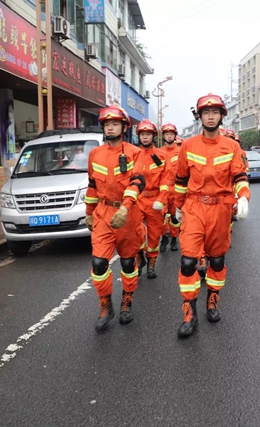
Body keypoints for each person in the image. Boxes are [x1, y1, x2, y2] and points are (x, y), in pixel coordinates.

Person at [173, 93, 251, 338]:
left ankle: (213, 299)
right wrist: (177, 208)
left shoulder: (232, 147)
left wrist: (243, 197)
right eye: (205, 113)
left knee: (216, 261)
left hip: (221, 208)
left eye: (214, 112)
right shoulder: (188, 145)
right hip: (194, 207)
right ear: (200, 116)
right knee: (188, 262)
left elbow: (239, 177)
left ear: (221, 116)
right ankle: (189, 312)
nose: (210, 116)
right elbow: (181, 179)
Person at [84, 105, 146, 331]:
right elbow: (92, 186)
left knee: (129, 262)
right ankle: (105, 304)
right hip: (103, 213)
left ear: (123, 127)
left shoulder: (134, 152)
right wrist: (89, 213)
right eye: (107, 124)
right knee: (99, 262)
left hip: (128, 214)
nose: (110, 128)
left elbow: (138, 182)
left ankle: (126, 301)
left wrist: (125, 208)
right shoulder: (95, 154)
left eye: (115, 124)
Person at [134, 119, 169, 279]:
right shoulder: (133, 155)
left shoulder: (161, 156)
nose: (145, 137)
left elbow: (165, 180)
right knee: (135, 232)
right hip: (138, 199)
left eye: (148, 134)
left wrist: (161, 199)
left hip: (155, 200)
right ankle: (139, 255)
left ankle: (151, 262)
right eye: (142, 134)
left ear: (153, 136)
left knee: (154, 235)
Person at [159, 123, 181, 253]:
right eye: (167, 134)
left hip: (176, 188)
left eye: (171, 134)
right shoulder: (159, 152)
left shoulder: (180, 152)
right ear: (164, 136)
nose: (169, 136)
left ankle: (173, 239)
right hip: (162, 190)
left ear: (174, 136)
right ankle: (164, 238)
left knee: (174, 217)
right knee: (161, 216)